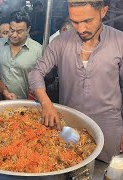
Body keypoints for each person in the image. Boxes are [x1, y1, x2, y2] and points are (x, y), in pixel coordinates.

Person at [28, 0, 123, 163]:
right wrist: (46, 103)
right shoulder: (60, 42)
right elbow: (36, 72)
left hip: (109, 127)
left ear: (103, 11)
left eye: (87, 21)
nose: (81, 29)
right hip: (70, 125)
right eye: (75, 22)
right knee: (70, 165)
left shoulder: (119, 41)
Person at [0, 11, 42, 99]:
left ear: (28, 29)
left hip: (24, 104)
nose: (14, 35)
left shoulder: (38, 50)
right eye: (11, 30)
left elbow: (42, 81)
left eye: (19, 31)